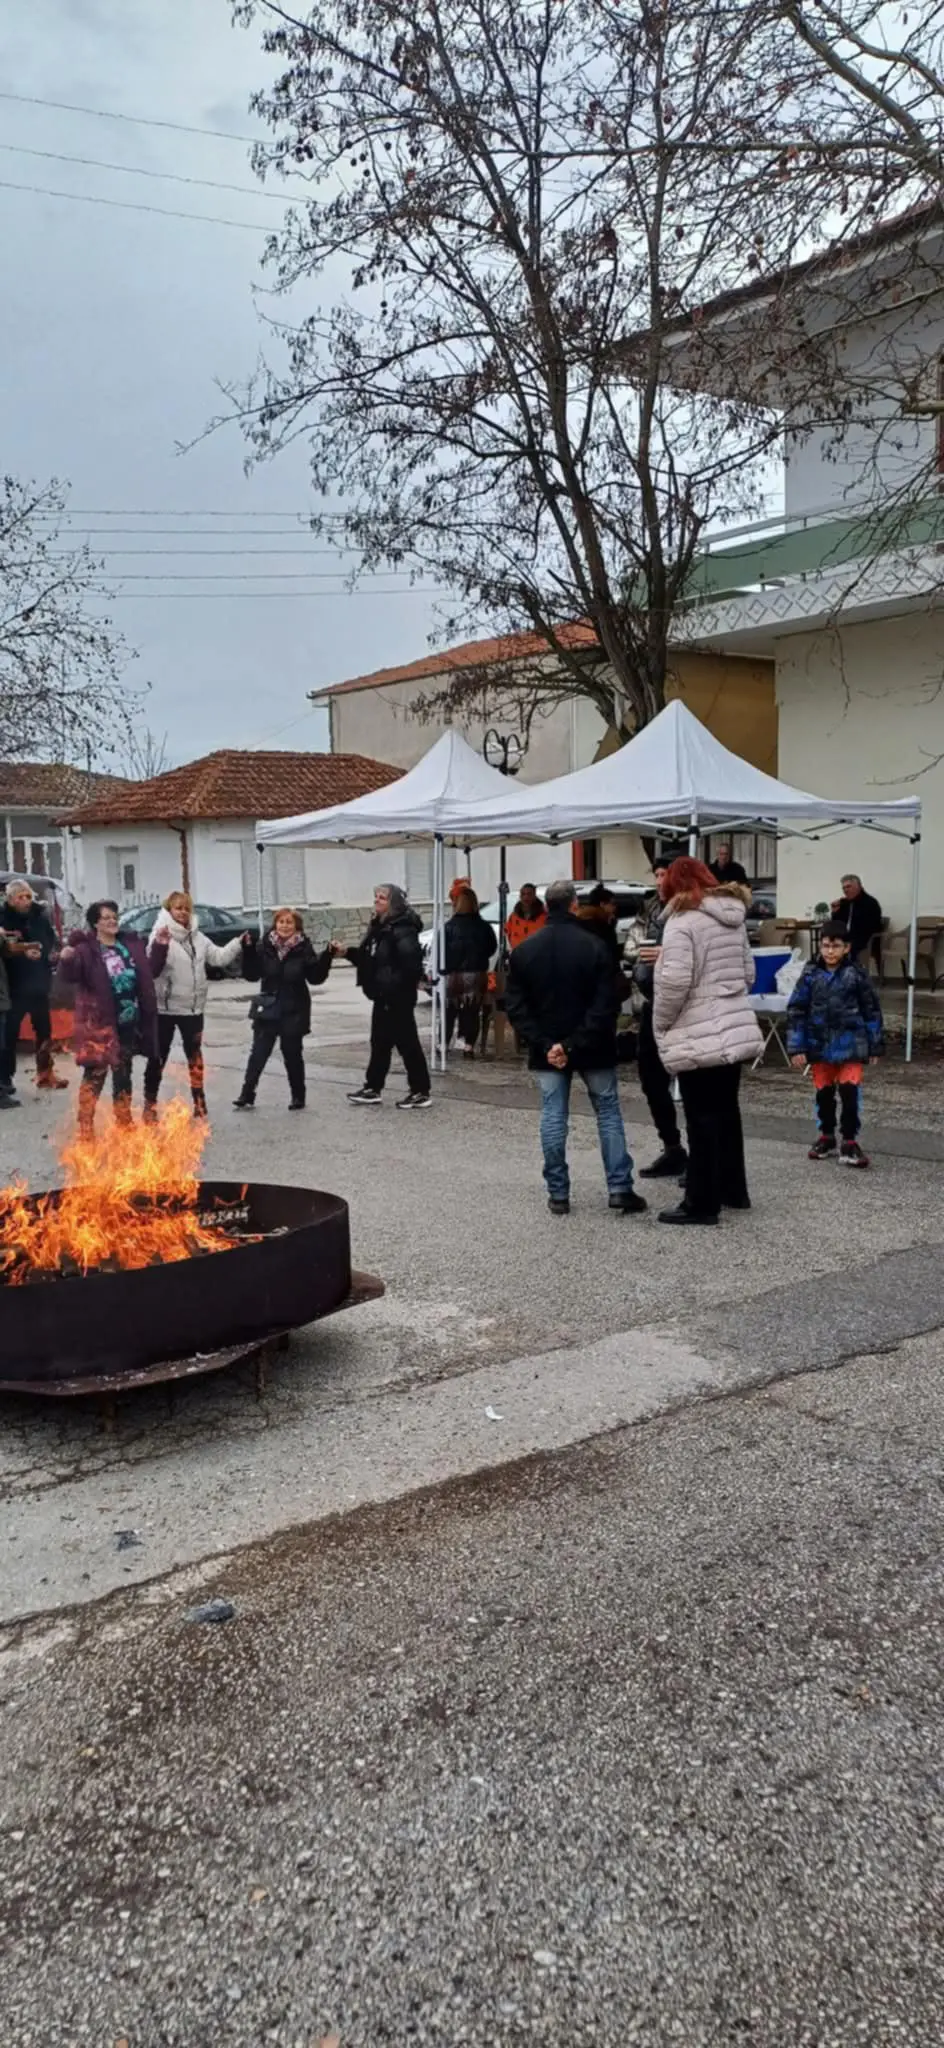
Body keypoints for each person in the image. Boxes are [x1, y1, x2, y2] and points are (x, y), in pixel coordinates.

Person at [505, 877, 646, 1216]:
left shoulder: (525, 950)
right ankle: (619, 1187)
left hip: (547, 1044)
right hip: (592, 1043)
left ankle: (558, 1192)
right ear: (572, 906)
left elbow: (516, 1005)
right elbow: (606, 1002)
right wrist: (574, 1041)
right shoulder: (595, 946)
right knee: (608, 1112)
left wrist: (548, 1043)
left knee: (554, 1115)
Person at [653, 857, 761, 1225]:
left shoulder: (682, 922)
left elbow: (674, 983)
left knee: (700, 1118)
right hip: (732, 1024)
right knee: (727, 1112)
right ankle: (733, 1189)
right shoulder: (734, 919)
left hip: (697, 1028)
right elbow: (749, 973)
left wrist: (662, 1024)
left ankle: (701, 1202)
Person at [144, 890, 251, 1119]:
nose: (182, 912)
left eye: (186, 908)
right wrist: (161, 946)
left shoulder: (198, 937)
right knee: (158, 1057)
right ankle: (150, 1103)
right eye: (177, 908)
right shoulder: (160, 935)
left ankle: (199, 1101)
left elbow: (218, 958)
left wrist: (237, 943)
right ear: (169, 910)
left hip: (193, 1009)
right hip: (166, 1009)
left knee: (195, 1057)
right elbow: (151, 970)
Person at [786, 919, 884, 1168]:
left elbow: (871, 1010)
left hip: (850, 1043)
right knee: (824, 1094)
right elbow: (797, 1010)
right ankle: (826, 1135)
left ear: (847, 948)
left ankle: (849, 1140)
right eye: (826, 945)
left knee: (850, 1093)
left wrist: (874, 1044)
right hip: (819, 1045)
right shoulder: (810, 974)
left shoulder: (856, 974)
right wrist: (797, 1047)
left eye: (836, 946)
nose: (830, 951)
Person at [58, 901, 159, 1138]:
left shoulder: (128, 945)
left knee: (123, 1073)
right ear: (95, 923)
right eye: (106, 918)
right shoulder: (86, 950)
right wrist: (67, 959)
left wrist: (161, 947)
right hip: (99, 1025)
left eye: (114, 916)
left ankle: (124, 1122)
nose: (112, 921)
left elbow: (148, 971)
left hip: (127, 1022)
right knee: (95, 1075)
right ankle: (85, 1126)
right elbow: (70, 976)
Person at [343, 884, 432, 1109]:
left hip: (397, 997)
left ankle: (420, 1090)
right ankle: (373, 1087)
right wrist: (347, 953)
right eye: (376, 897)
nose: (377, 901)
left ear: (393, 903)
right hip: (382, 996)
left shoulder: (403, 929)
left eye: (382, 898)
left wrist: (392, 984)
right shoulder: (380, 928)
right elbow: (370, 959)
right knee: (380, 1043)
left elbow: (410, 964)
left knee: (407, 1043)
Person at [234, 908, 332, 1111]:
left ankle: (298, 1096)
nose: (285, 926)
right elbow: (252, 974)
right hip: (268, 1007)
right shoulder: (265, 945)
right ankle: (247, 1094)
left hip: (294, 1009)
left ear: (296, 927)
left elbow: (315, 977)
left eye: (289, 923)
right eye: (281, 922)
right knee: (258, 1053)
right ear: (275, 924)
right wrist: (249, 950)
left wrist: (327, 956)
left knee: (292, 1054)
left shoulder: (303, 947)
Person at [633, 864, 688, 1179]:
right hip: (655, 1004)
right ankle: (672, 1147)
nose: (658, 881)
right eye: (655, 875)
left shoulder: (691, 912)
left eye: (663, 874)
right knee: (651, 1079)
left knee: (692, 1086)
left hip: (685, 1010)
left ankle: (702, 1158)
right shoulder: (654, 909)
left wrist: (662, 958)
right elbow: (640, 952)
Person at [0, 882, 66, 1095]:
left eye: (28, 896)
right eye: (20, 897)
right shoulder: (3, 918)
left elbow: (50, 940)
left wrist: (47, 953)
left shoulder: (40, 915)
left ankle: (45, 1074)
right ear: (10, 899)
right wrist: (22, 953)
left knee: (44, 1032)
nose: (25, 901)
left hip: (39, 984)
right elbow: (5, 949)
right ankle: (5, 1078)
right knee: (9, 1035)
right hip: (14, 986)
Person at [443, 885, 497, 1057]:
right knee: (472, 1011)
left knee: (449, 1010)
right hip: (476, 973)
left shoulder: (449, 927)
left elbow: (442, 951)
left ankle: (444, 1043)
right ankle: (468, 1046)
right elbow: (492, 948)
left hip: (453, 974)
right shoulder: (484, 927)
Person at [830, 874, 883, 965]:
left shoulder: (870, 903)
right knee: (826, 946)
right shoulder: (845, 903)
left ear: (859, 887)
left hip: (864, 940)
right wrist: (835, 912)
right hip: (847, 938)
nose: (845, 890)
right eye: (843, 888)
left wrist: (846, 939)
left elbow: (869, 928)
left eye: (848, 887)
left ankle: (848, 974)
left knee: (843, 949)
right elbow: (838, 924)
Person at [506, 884, 546, 950]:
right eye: (523, 894)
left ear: (534, 896)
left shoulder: (544, 916)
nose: (526, 897)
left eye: (529, 894)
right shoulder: (513, 916)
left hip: (537, 956)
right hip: (518, 955)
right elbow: (508, 934)